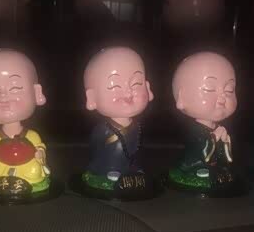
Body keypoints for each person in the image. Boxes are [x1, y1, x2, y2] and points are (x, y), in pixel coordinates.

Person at [0, 49, 49, 196]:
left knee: (34, 170)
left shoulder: (31, 135)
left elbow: (40, 146)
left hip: (26, 164)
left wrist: (39, 153)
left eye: (15, 88)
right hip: (0, 164)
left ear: (37, 93)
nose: (3, 97)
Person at [82, 47, 154, 192]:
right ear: (92, 97)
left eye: (136, 84)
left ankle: (132, 169)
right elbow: (95, 147)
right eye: (115, 86)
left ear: (147, 87)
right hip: (107, 163)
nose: (128, 92)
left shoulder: (137, 126)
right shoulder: (103, 129)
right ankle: (109, 170)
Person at [169, 52, 238, 190]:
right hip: (194, 163)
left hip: (213, 164)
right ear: (182, 97)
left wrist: (224, 141)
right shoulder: (194, 130)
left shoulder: (219, 128)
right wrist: (214, 137)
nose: (222, 97)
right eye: (209, 89)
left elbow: (224, 153)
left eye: (229, 90)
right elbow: (199, 149)